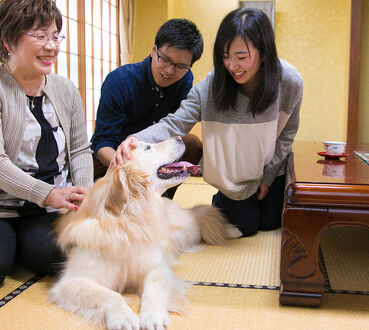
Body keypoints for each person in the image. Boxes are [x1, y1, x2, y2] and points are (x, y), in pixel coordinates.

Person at [112, 8, 303, 237]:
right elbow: (175, 123)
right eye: (225, 56)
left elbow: (287, 134)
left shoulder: (289, 81)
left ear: (264, 53)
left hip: (269, 163)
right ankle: (222, 197)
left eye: (241, 57)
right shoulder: (212, 86)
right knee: (246, 228)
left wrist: (269, 177)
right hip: (234, 172)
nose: (232, 66)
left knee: (271, 222)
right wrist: (134, 140)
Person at [0, 0, 93, 283]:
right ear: (8, 41)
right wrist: (48, 193)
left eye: (55, 36)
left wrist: (85, 192)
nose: (51, 46)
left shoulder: (64, 89)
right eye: (39, 36)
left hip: (49, 207)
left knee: (52, 256)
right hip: (4, 204)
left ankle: (21, 245)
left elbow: (79, 149)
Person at [90, 18, 204, 198]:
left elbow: (174, 130)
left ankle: (161, 199)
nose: (169, 70)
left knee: (192, 144)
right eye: (165, 59)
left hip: (153, 155)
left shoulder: (184, 80)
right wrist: (124, 167)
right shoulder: (119, 81)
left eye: (180, 66)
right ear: (153, 50)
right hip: (115, 158)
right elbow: (102, 141)